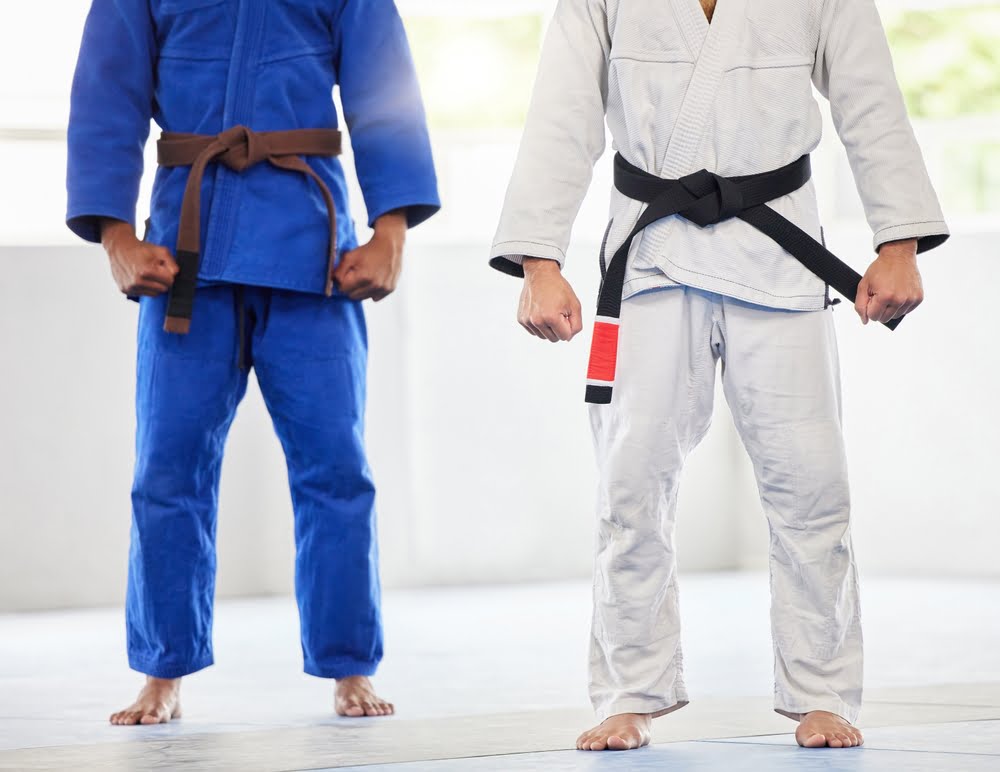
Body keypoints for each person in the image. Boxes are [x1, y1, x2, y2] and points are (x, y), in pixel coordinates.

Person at [490, 0, 947, 752]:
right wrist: (540, 261)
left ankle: (822, 690)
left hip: (781, 248)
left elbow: (871, 99)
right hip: (651, 256)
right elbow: (561, 115)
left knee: (811, 482)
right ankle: (630, 689)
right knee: (630, 481)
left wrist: (899, 240)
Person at [66, 0, 438, 726]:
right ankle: (162, 669)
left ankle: (348, 662)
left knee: (335, 468)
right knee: (168, 470)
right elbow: (104, 97)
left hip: (315, 251)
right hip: (183, 257)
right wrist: (115, 237)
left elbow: (385, 89)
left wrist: (391, 229)